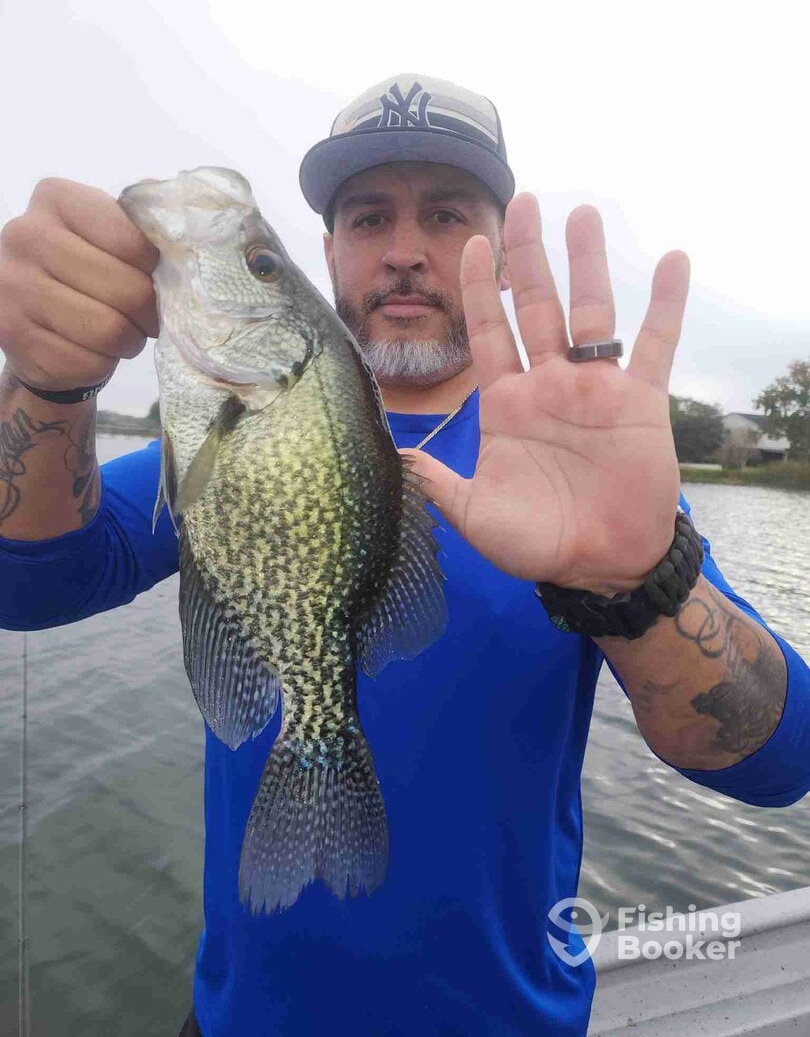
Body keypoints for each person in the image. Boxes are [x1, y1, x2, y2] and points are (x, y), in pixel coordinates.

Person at [1, 73, 808, 1037]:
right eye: (369, 217)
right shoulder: (235, 437)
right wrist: (48, 386)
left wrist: (633, 584)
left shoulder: (582, 470)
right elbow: (30, 586)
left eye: (448, 214)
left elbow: (779, 763)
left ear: (499, 256)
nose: (405, 252)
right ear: (329, 253)